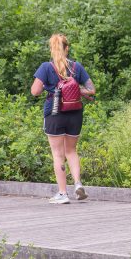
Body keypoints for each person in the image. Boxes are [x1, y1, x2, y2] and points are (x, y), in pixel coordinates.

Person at [30, 33, 96, 204]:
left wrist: (49, 86)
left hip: (55, 113)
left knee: (58, 154)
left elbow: (35, 92)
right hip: (75, 113)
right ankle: (78, 184)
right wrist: (74, 89)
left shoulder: (46, 67)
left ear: (52, 49)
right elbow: (91, 90)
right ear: (67, 49)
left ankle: (62, 193)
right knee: (71, 151)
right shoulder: (77, 67)